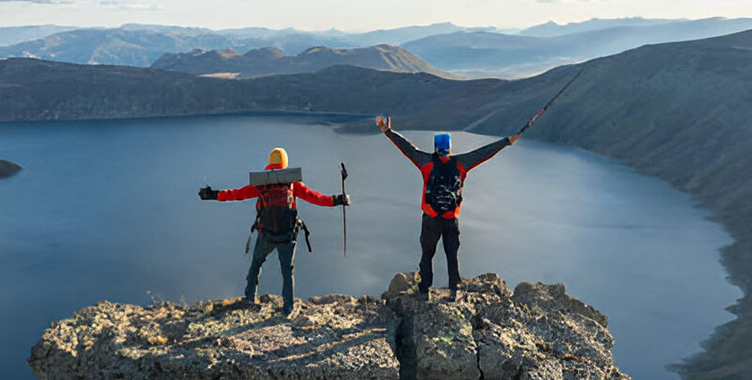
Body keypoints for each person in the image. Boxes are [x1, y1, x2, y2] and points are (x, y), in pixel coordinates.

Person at [376, 116, 518, 300]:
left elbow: (407, 148)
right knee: (452, 255)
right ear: (449, 148)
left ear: (436, 147)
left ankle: (424, 290)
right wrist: (507, 141)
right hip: (451, 219)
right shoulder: (461, 163)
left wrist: (387, 131)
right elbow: (484, 152)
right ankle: (454, 289)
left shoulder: (425, 161)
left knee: (427, 255)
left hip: (430, 218)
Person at [199, 147, 348, 314]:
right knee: (287, 270)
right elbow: (315, 197)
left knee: (256, 264)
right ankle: (288, 308)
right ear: (285, 163)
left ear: (270, 163)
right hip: (287, 235)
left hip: (266, 234)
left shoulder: (261, 184)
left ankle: (249, 298)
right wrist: (337, 200)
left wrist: (213, 195)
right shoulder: (292, 183)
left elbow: (237, 194)